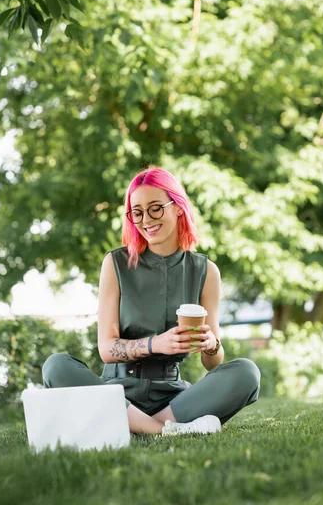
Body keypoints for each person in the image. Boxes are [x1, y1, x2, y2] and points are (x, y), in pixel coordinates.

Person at [42, 166, 261, 435]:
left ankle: (137, 427)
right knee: (56, 366)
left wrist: (211, 345)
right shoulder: (115, 264)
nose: (146, 219)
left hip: (174, 399)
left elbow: (212, 364)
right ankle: (165, 431)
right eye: (137, 212)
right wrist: (156, 343)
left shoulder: (206, 271)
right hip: (116, 394)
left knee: (247, 373)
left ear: (178, 207)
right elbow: (107, 349)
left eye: (156, 208)